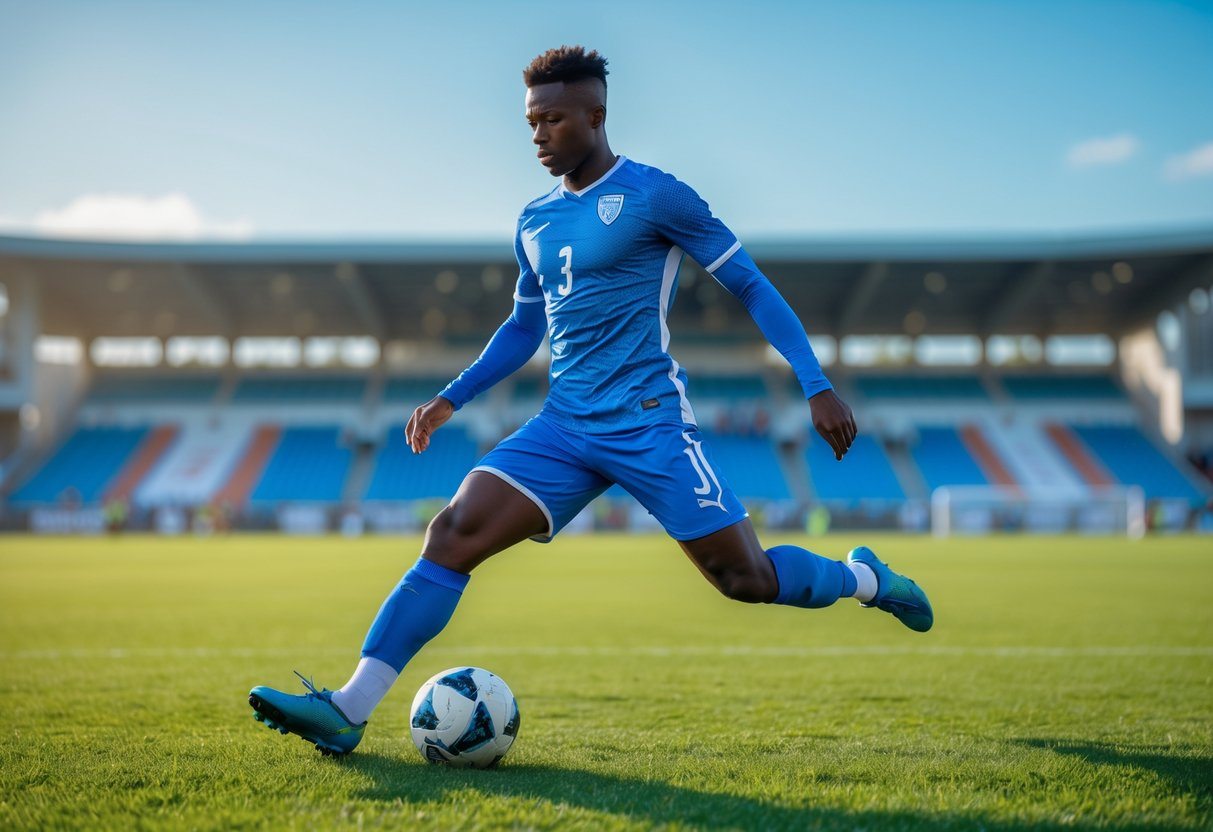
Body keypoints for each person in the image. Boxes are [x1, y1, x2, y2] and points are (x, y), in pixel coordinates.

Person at [248, 45, 933, 757]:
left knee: (745, 578)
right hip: (564, 426)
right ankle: (348, 708)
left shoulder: (657, 195)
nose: (538, 135)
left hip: (647, 422)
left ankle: (866, 579)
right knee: (451, 533)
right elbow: (524, 328)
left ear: (596, 116)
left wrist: (815, 384)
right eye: (530, 122)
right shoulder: (534, 220)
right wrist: (452, 396)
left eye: (552, 120)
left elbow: (752, 286)